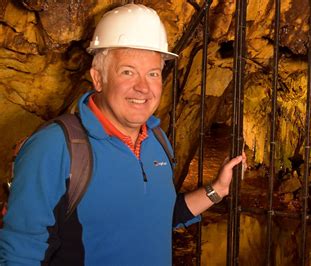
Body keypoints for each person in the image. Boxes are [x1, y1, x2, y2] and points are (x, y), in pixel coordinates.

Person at [0, 3, 245, 265]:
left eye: (153, 74)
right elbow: (20, 253)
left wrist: (217, 189)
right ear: (98, 78)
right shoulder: (54, 147)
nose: (143, 87)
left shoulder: (157, 141)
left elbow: (156, 217)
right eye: (128, 72)